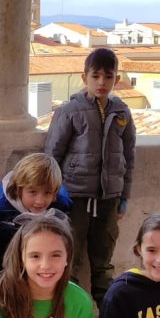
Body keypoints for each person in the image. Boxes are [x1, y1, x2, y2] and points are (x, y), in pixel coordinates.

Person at [44, 47, 136, 304]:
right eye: (96, 77)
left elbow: (129, 157)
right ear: (85, 78)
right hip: (74, 198)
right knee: (68, 260)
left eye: (108, 77)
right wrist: (53, 197)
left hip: (108, 199)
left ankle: (106, 317)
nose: (102, 83)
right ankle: (69, 317)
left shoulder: (122, 112)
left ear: (116, 80)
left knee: (103, 262)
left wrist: (123, 198)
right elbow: (52, 155)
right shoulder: (70, 111)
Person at [0, 152, 72, 271]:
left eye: (47, 193)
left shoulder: (61, 201)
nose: (40, 201)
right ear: (18, 189)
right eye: (32, 192)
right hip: (5, 261)